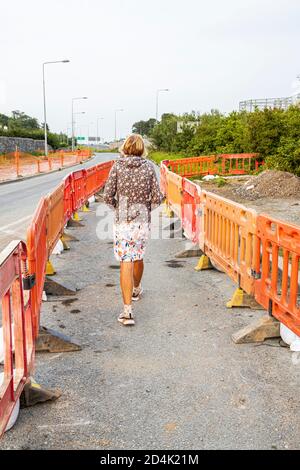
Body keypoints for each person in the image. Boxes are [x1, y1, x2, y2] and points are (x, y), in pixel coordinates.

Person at [103, 134, 163, 326]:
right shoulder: (148, 167)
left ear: (125, 147)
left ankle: (127, 312)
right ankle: (136, 288)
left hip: (123, 222)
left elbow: (107, 195)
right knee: (138, 256)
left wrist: (119, 209)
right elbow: (157, 197)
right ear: (142, 148)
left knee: (125, 262)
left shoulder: (117, 166)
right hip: (142, 222)